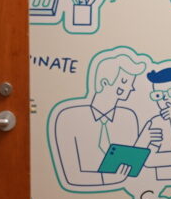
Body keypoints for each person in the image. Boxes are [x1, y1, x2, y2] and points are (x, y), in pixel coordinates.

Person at [51, 51, 146, 187]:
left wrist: (144, 141)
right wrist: (109, 179)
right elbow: (73, 176)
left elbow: (128, 167)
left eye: (131, 82)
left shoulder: (128, 117)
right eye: (124, 81)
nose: (131, 87)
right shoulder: (68, 117)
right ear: (104, 82)